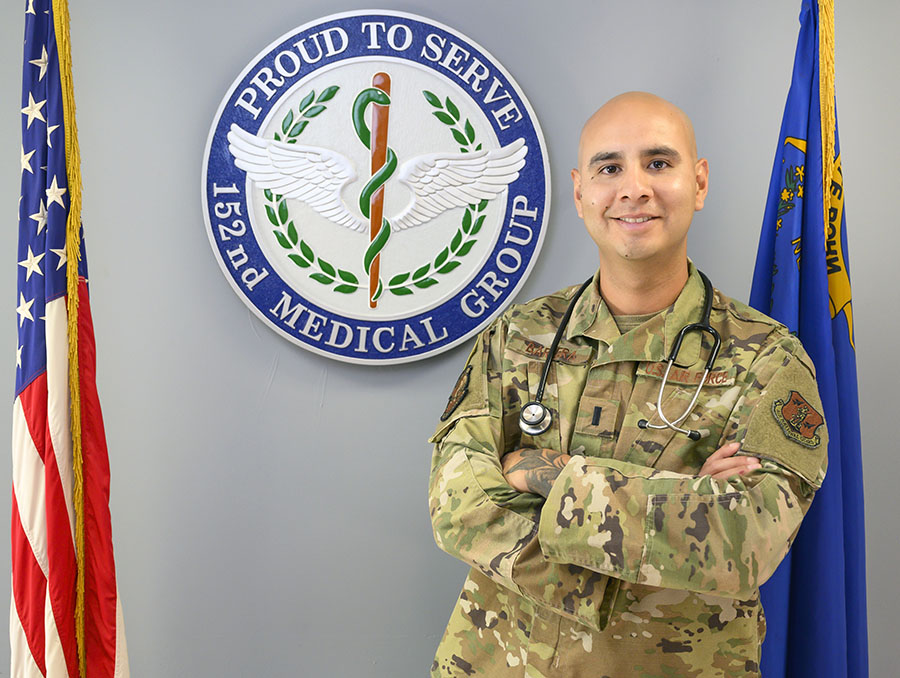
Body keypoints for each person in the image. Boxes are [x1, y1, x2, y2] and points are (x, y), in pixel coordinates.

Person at [427, 92, 828, 677]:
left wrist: (537, 470)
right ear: (580, 190)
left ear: (700, 182)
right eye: (609, 167)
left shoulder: (766, 359)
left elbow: (746, 537)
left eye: (659, 163)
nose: (633, 187)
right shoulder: (517, 336)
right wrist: (680, 493)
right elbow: (456, 502)